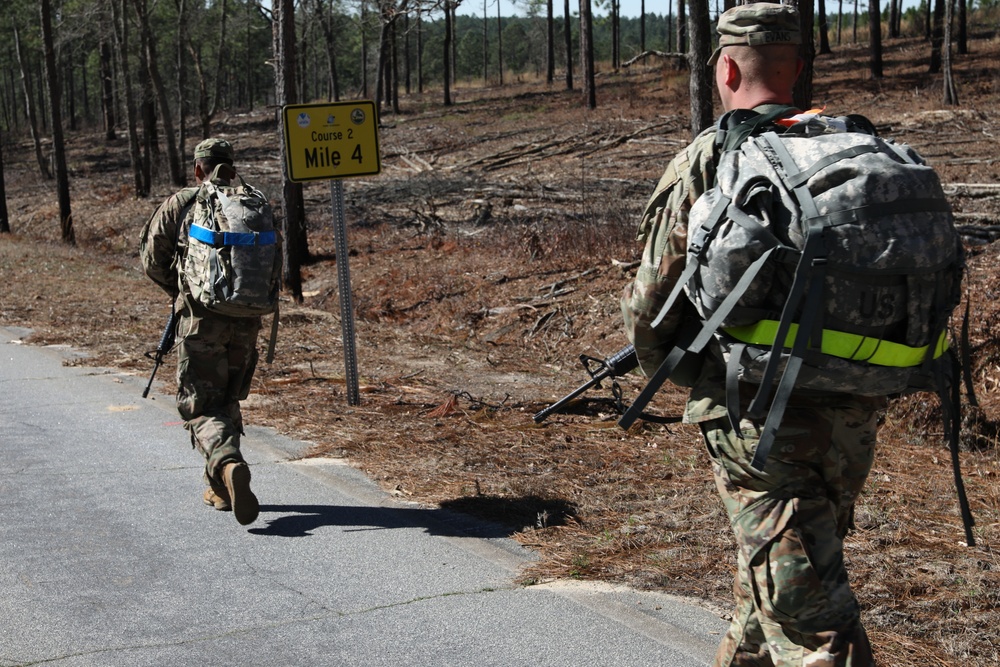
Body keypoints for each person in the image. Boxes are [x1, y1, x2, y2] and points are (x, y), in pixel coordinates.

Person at [621, 4, 882, 666]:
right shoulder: (853, 146)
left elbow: (651, 313)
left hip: (757, 426)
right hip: (853, 416)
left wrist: (698, 377)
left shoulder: (710, 159)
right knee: (768, 594)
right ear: (796, 67)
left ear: (727, 68)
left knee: (814, 630)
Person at [139, 138, 267, 526]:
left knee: (199, 405)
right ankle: (220, 489)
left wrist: (182, 291)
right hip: (246, 319)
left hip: (200, 320)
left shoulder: (184, 203)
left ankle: (228, 464)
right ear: (231, 164)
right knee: (227, 397)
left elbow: (152, 259)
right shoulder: (254, 203)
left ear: (198, 168)